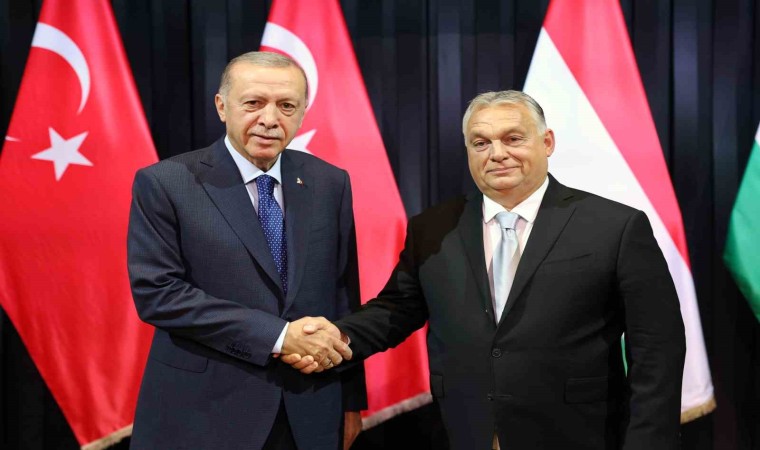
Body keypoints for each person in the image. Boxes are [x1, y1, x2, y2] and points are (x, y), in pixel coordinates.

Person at [285, 91, 686, 449]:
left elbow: (657, 350)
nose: (497, 153)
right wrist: (336, 338)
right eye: (481, 142)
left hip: (579, 433)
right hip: (465, 430)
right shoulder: (434, 227)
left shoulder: (615, 226)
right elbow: (396, 309)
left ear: (547, 142)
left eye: (513, 138)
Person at [127, 51, 366, 450]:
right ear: (222, 107)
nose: (270, 119)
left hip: (310, 409)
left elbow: (343, 295)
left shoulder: (330, 182)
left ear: (303, 114)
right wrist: (279, 336)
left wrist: (350, 400)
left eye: (287, 106)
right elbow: (159, 295)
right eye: (253, 103)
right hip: (203, 413)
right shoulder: (167, 182)